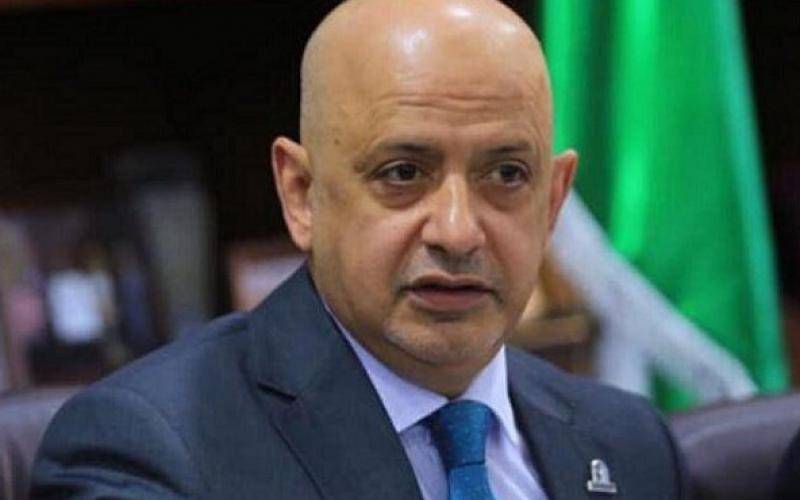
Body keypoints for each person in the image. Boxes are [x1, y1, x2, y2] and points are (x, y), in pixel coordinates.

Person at [31, 0, 686, 498]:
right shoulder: (149, 451)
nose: (458, 232)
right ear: (301, 194)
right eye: (403, 173)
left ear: (553, 200)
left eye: (507, 174)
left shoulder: (631, 443)